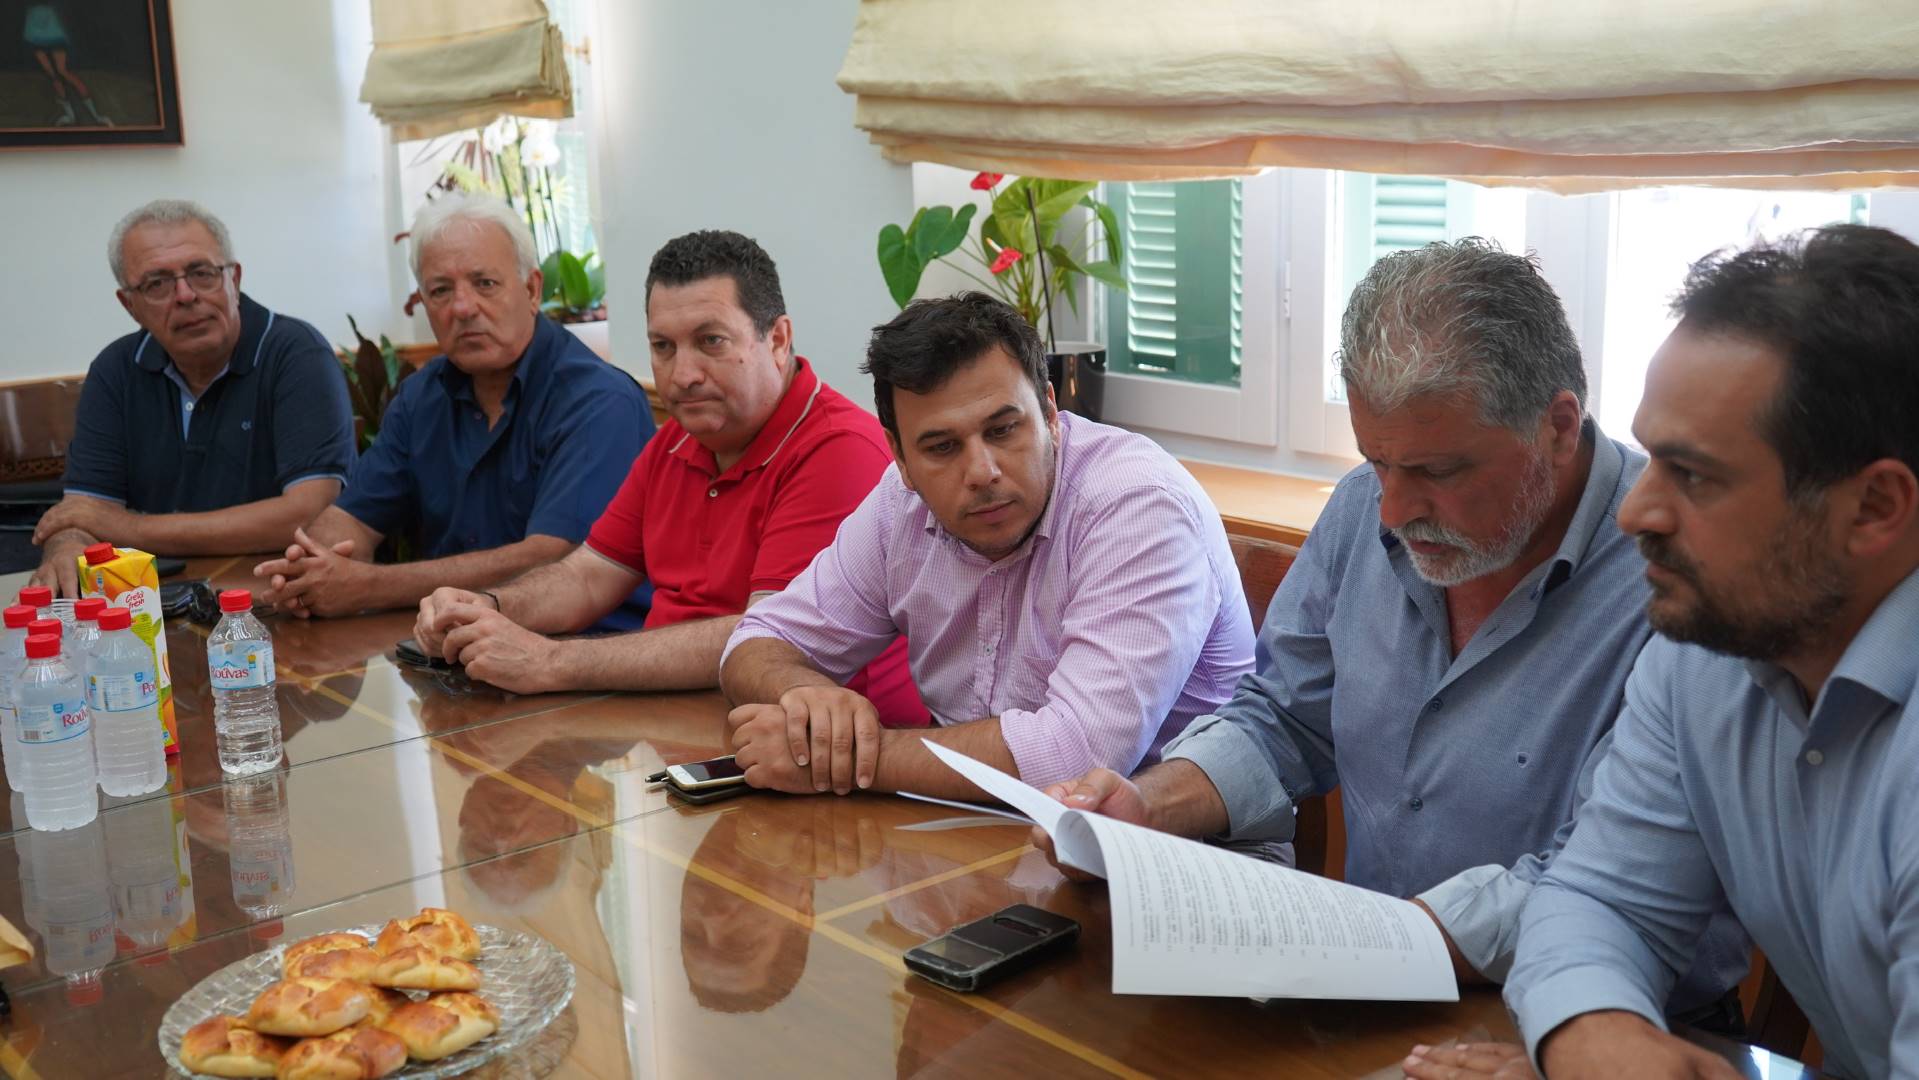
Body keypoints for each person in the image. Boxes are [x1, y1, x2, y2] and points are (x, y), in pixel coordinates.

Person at [1034, 239, 1744, 1019]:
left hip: (1609, 1025)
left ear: (1557, 426)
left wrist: (1360, 944)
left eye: (1437, 472)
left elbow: (1601, 888)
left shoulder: (1679, 580)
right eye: (1376, 461)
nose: (1394, 510)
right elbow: (1282, 719)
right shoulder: (1359, 512)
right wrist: (1145, 808)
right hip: (1372, 992)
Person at [1445, 225, 1919, 1080]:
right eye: (1650, 458)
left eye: (1692, 475)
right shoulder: (1710, 650)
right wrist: (1593, 1039)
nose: (1635, 512)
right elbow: (1600, 898)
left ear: (1874, 507)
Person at [719, 292, 1255, 798]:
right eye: (942, 447)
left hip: (1168, 847)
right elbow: (757, 640)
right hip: (974, 827)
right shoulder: (899, 505)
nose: (981, 471)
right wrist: (807, 698)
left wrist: (854, 756)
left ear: (1049, 414)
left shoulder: (1137, 505)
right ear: (901, 459)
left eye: (1002, 431)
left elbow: (1077, 758)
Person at [410, 231, 919, 721]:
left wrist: (550, 661)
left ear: (778, 339)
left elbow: (769, 638)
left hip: (812, 744)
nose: (682, 375)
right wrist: (487, 607)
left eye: (710, 341)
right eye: (663, 347)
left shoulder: (840, 449)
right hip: (670, 722)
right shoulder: (677, 438)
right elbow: (588, 577)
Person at [254, 193, 653, 620]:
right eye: (441, 291)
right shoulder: (421, 398)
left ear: (532, 289)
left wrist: (369, 586)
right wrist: (313, 566)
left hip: (585, 648)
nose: (462, 308)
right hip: (446, 640)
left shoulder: (599, 402)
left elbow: (551, 558)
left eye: (485, 284)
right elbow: (354, 518)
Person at [32, 199, 354, 596]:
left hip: (275, 596)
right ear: (130, 305)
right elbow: (82, 513)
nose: (185, 295)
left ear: (234, 279)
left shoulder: (296, 354)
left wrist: (131, 527)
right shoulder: (115, 371)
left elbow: (310, 512)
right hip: (150, 601)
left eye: (202, 274)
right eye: (157, 284)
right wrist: (66, 546)